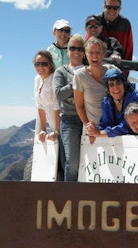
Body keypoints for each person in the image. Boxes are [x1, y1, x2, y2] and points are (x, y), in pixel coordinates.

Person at [53, 34, 85, 182]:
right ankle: (70, 195)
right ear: (67, 51)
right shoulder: (61, 72)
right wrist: (76, 81)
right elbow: (59, 94)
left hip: (89, 119)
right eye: (72, 48)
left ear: (84, 51)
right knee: (72, 163)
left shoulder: (90, 69)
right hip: (70, 120)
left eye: (80, 48)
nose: (76, 51)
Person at [73, 37, 116, 143]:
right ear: (85, 55)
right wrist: (88, 128)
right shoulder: (80, 75)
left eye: (98, 52)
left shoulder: (113, 70)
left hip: (115, 129)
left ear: (103, 54)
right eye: (91, 52)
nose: (94, 56)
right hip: (96, 131)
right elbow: (79, 106)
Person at [86, 68, 138, 138]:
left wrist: (103, 133)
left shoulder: (134, 98)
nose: (116, 88)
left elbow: (129, 125)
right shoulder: (106, 102)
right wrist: (94, 129)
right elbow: (106, 123)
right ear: (108, 89)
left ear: (124, 84)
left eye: (118, 83)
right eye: (111, 85)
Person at [33, 50, 60, 143]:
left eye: (44, 63)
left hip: (60, 126)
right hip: (51, 127)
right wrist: (43, 129)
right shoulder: (37, 79)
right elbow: (40, 106)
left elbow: (58, 107)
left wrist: (57, 131)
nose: (40, 67)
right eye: (37, 64)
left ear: (50, 65)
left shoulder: (54, 78)